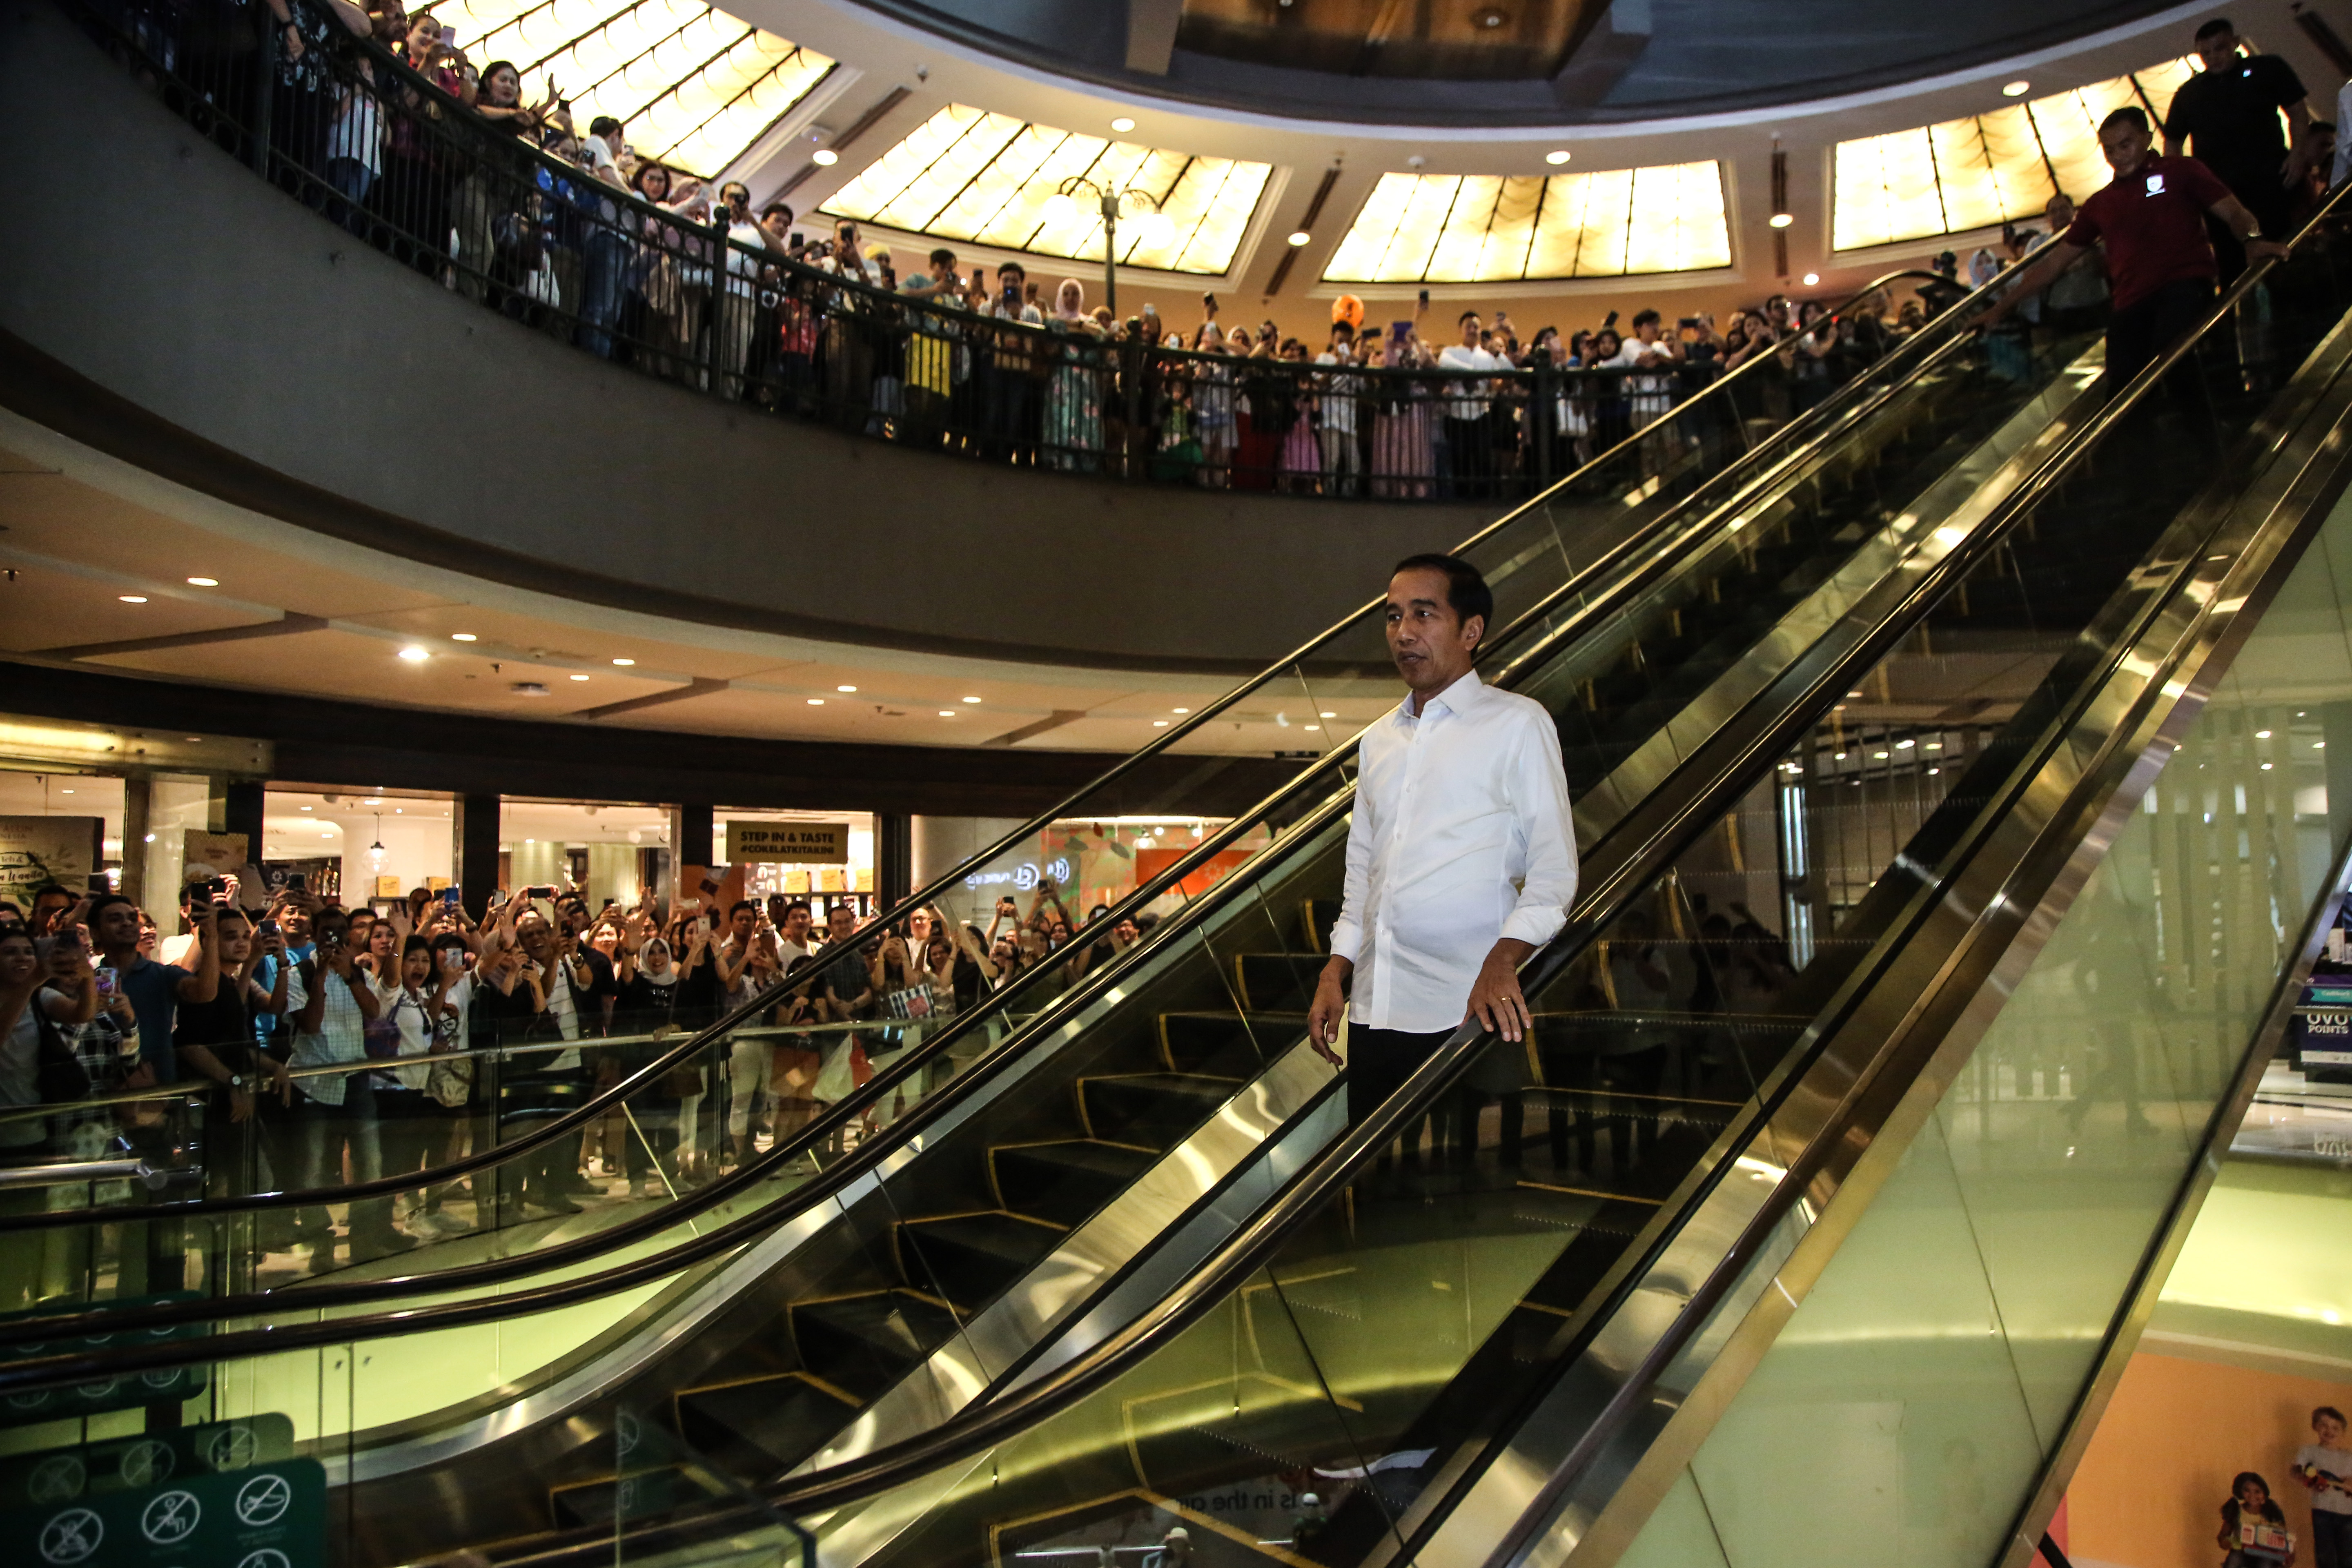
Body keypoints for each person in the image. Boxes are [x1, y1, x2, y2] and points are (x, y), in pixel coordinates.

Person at [1307, 554, 1579, 1129]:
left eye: (1423, 615)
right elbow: (1363, 872)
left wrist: (1504, 959)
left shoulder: (1518, 724)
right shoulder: (1379, 740)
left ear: (1470, 631)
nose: (1403, 633)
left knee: (1459, 1174)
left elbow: (1554, 873)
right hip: (1375, 1008)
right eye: (1393, 617)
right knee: (1372, 1171)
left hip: (1466, 1010)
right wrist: (1336, 971)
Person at [1989, 106, 2286, 383]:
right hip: (2131, 302)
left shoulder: (2181, 171)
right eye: (2109, 150)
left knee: (2171, 358)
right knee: (2123, 380)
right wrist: (1999, 309)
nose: (2118, 156)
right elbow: (2054, 263)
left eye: (2125, 145)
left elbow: (2233, 211)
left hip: (2185, 286)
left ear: (2147, 138)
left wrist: (2253, 240)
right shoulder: (2100, 204)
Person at [2163, 18, 2314, 281]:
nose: (2214, 57)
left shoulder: (2267, 69)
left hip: (2270, 180)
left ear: (2235, 43)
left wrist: (2297, 155)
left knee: (2287, 254)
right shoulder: (2190, 92)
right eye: (2206, 53)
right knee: (2231, 266)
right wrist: (2185, 187)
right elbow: (2172, 141)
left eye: (2220, 48)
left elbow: (2299, 113)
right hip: (2220, 194)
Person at [1437, 311, 1513, 500]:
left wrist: (1498, 354)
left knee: (1483, 461)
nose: (1472, 330)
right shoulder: (1451, 353)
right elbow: (1443, 365)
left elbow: (1506, 377)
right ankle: (1461, 500)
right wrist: (1475, 373)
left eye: (1476, 327)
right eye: (1468, 327)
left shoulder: (1488, 358)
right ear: (1461, 330)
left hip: (1481, 415)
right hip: (1456, 416)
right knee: (1459, 462)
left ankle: (1482, 501)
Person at [2296, 1406, 2352, 1568]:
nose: (2329, 1431)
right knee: (2325, 1556)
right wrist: (2309, 1479)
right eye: (2324, 1425)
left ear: (2343, 1431)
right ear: (2315, 1426)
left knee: (2347, 1557)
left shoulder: (2349, 1457)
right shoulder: (2309, 1451)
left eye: (2335, 1428)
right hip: (2322, 1511)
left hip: (2348, 1513)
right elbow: (2296, 1471)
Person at [2220, 1471, 2295, 1566]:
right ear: (2241, 1491)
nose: (2252, 1496)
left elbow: (2285, 1538)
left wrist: (2290, 1555)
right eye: (2247, 1491)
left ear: (2264, 1494)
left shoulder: (2272, 1513)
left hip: (2266, 1554)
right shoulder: (2236, 1510)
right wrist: (2225, 1542)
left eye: (2257, 1492)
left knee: (2266, 1564)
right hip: (2242, 1552)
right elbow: (2223, 1535)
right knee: (2234, 1560)